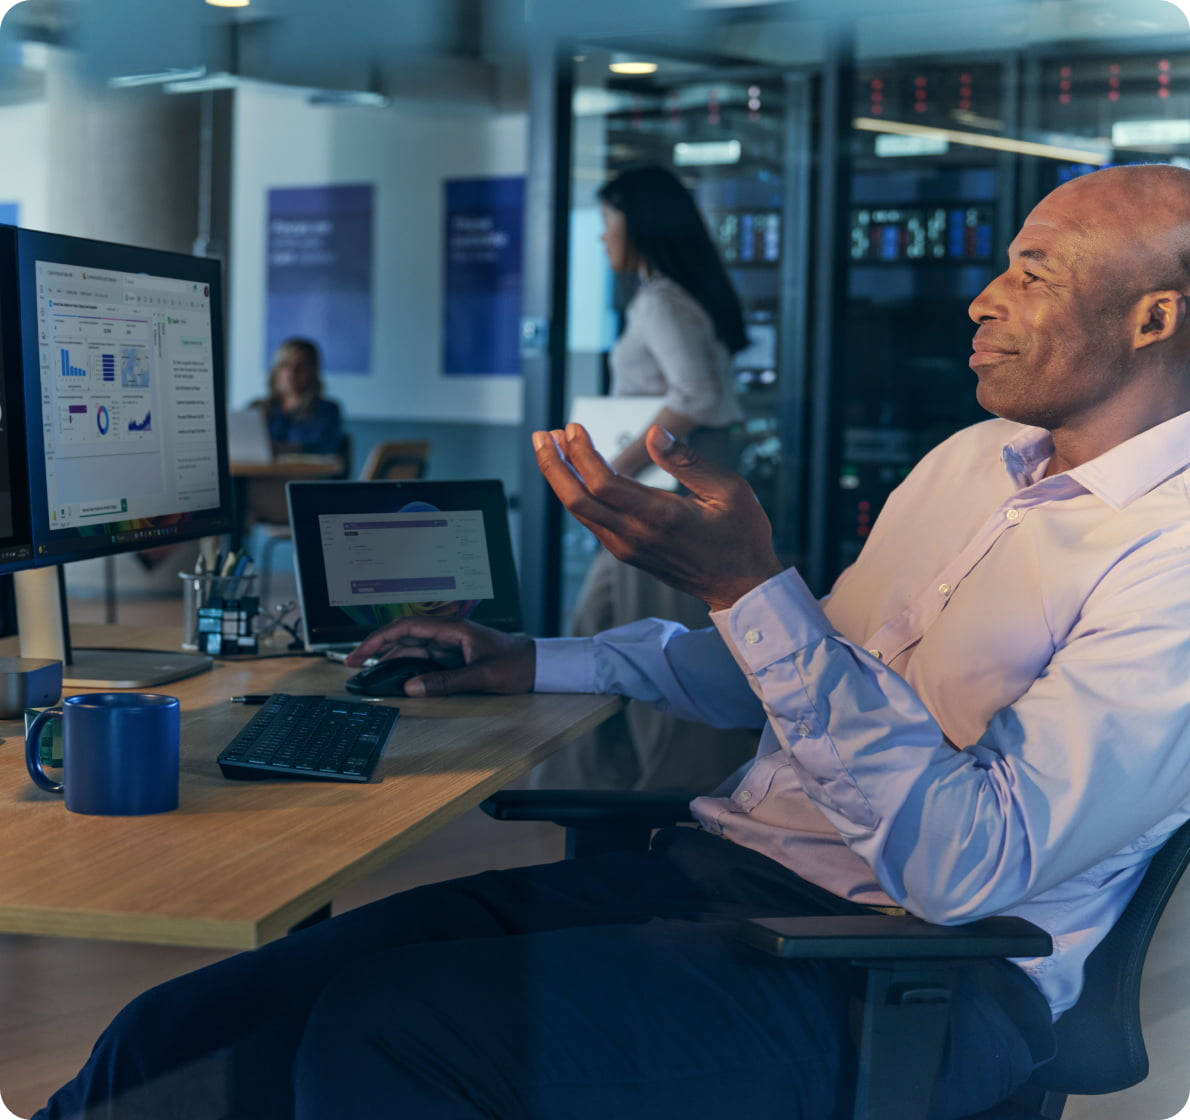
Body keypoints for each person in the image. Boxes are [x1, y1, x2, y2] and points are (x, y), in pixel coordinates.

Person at [30, 163, 1190, 1119]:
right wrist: (532, 658)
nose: (982, 297)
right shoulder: (964, 464)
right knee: (186, 1028)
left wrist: (746, 587)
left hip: (910, 971)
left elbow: (964, 867)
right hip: (711, 880)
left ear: (1153, 316)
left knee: (388, 1045)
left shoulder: (1171, 555)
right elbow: (792, 679)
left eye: (1029, 273)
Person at [540, 163, 759, 791]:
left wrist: (611, 472)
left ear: (638, 226)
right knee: (598, 625)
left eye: (608, 221)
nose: (602, 236)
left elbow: (694, 394)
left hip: (669, 484)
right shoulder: (674, 296)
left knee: (661, 647)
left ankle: (670, 795)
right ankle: (591, 786)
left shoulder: (662, 299)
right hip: (677, 477)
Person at [255, 337, 343, 457]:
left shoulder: (327, 410)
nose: (291, 372)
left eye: (300, 366)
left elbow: (324, 448)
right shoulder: (257, 408)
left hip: (305, 474)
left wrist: (280, 448)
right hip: (255, 473)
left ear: (312, 371)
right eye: (285, 365)